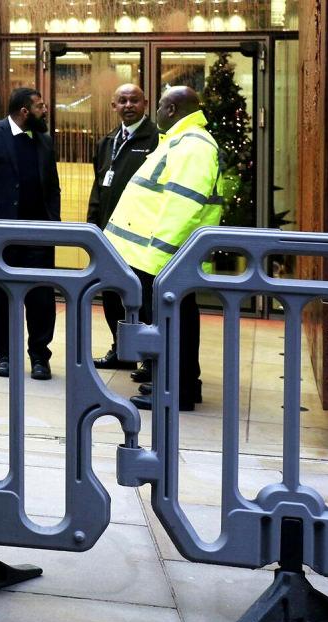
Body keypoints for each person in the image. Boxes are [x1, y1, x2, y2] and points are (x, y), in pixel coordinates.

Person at [105, 86, 222, 412]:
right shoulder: (182, 141)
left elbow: (183, 204)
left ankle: (177, 390)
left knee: (174, 324)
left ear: (171, 109)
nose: (155, 111)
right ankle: (180, 384)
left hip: (162, 257)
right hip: (160, 256)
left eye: (158, 105)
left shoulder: (193, 144)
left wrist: (162, 256)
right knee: (177, 322)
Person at [0, 87, 62, 380]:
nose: (45, 111)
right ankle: (4, 355)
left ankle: (40, 357)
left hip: (39, 234)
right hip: (0, 233)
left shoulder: (44, 140)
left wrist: (55, 225)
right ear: (24, 111)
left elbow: (52, 187)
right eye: (40, 106)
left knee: (41, 298)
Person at [88, 83, 159, 373]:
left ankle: (148, 357)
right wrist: (92, 228)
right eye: (123, 101)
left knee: (143, 298)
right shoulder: (108, 141)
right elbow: (98, 187)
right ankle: (122, 350)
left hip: (142, 237)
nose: (128, 105)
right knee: (111, 295)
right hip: (109, 236)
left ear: (146, 103)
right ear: (113, 106)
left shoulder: (157, 139)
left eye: (134, 100)